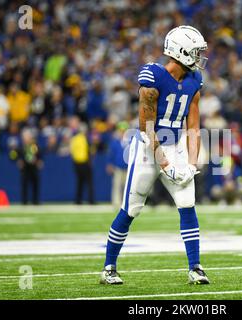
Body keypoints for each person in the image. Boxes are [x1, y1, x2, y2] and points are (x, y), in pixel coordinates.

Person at [100, 26, 210, 285]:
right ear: (181, 51)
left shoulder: (195, 81)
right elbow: (146, 128)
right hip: (148, 148)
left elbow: (193, 127)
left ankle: (195, 267)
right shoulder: (152, 78)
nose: (199, 57)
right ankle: (108, 268)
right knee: (131, 208)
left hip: (176, 145)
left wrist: (191, 164)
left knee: (187, 203)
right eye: (195, 51)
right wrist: (165, 162)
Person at [69, 116, 95, 205]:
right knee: (89, 183)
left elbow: (72, 151)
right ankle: (91, 200)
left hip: (77, 163)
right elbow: (90, 151)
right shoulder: (85, 138)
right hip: (85, 163)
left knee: (79, 183)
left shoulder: (74, 138)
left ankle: (78, 200)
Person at [106, 121, 129, 208]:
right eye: (121, 130)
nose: (122, 132)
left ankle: (126, 203)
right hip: (118, 167)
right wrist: (109, 164)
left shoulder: (131, 142)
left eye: (124, 130)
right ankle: (116, 203)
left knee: (127, 186)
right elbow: (111, 154)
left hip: (128, 167)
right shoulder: (115, 142)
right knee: (117, 185)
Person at [16, 129, 43, 204]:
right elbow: (14, 155)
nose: (26, 139)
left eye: (27, 137)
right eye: (24, 137)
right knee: (24, 185)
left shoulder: (34, 146)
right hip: (25, 168)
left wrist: (39, 161)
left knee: (35, 184)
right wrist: (18, 161)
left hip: (33, 168)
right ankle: (24, 201)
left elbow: (39, 154)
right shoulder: (21, 147)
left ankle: (36, 201)